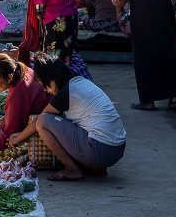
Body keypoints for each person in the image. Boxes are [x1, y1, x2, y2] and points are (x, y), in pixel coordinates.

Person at [8, 53, 126, 181]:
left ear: (51, 81)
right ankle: (95, 166)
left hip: (101, 150)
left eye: (44, 84)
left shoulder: (65, 94)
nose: (46, 90)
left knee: (43, 121)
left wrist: (18, 138)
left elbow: (41, 118)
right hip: (116, 149)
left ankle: (71, 169)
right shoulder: (79, 82)